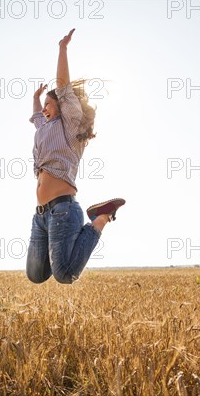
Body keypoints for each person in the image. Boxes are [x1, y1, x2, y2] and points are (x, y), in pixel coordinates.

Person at [26, 29, 125, 284]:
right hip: (41, 214)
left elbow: (62, 86)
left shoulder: (69, 125)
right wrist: (37, 99)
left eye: (50, 104)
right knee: (36, 275)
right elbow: (37, 117)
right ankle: (72, 240)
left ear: (60, 105)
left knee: (65, 275)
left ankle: (100, 218)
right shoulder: (44, 128)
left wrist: (62, 49)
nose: (45, 110)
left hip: (63, 209)